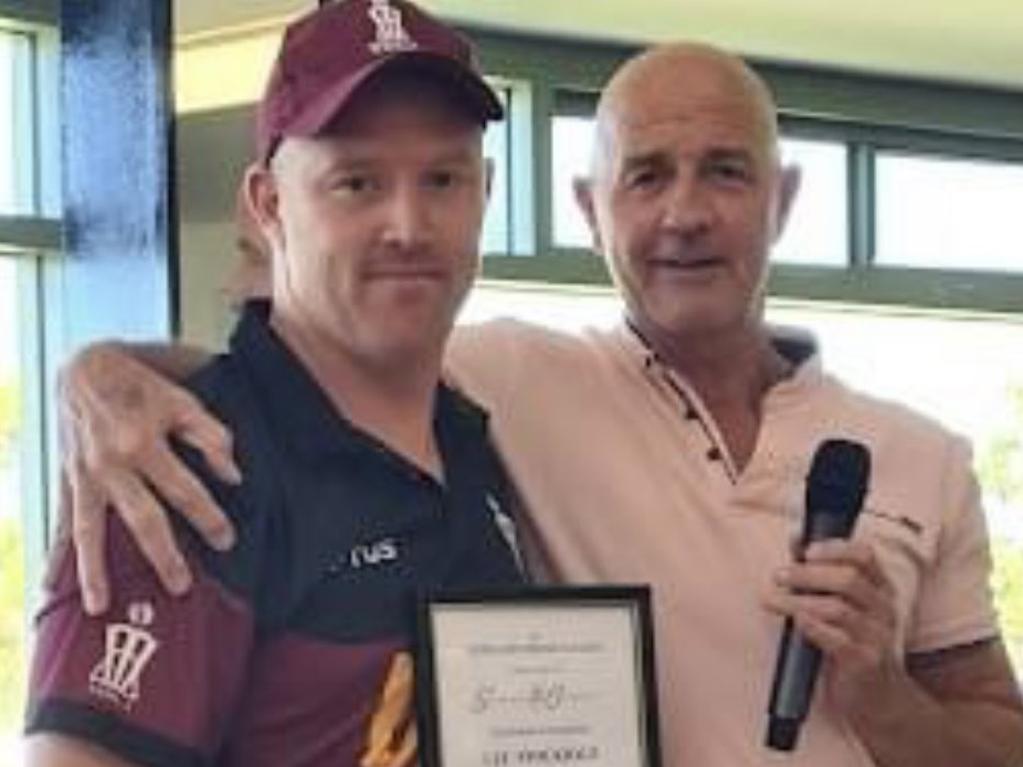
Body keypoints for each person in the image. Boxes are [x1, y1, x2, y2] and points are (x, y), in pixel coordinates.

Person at [54, 40, 1023, 767]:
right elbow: (314, 361)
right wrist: (99, 370)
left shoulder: (921, 455)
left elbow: (998, 731)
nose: (685, 213)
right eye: (645, 175)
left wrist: (886, 699)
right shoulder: (506, 379)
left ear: (782, 197)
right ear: (589, 206)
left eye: (725, 170)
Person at [25, 1, 526, 765]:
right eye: (356, 183)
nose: (408, 225)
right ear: (269, 204)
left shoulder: (484, 439)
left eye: (442, 180)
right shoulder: (180, 469)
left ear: (484, 193)